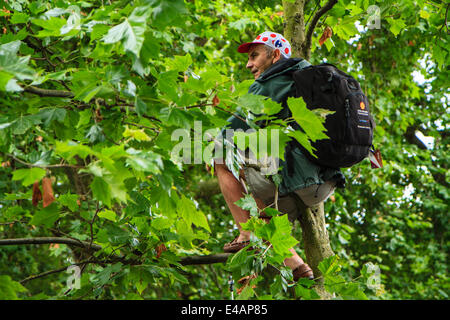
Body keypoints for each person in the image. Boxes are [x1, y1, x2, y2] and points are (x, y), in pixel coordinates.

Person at [213, 31, 345, 281]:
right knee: (265, 215)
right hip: (325, 184)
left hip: (294, 177)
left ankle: (247, 234)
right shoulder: (310, 79)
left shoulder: (271, 82)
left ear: (275, 55)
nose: (248, 64)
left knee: (220, 159)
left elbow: (228, 134)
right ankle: (298, 269)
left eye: (254, 55)